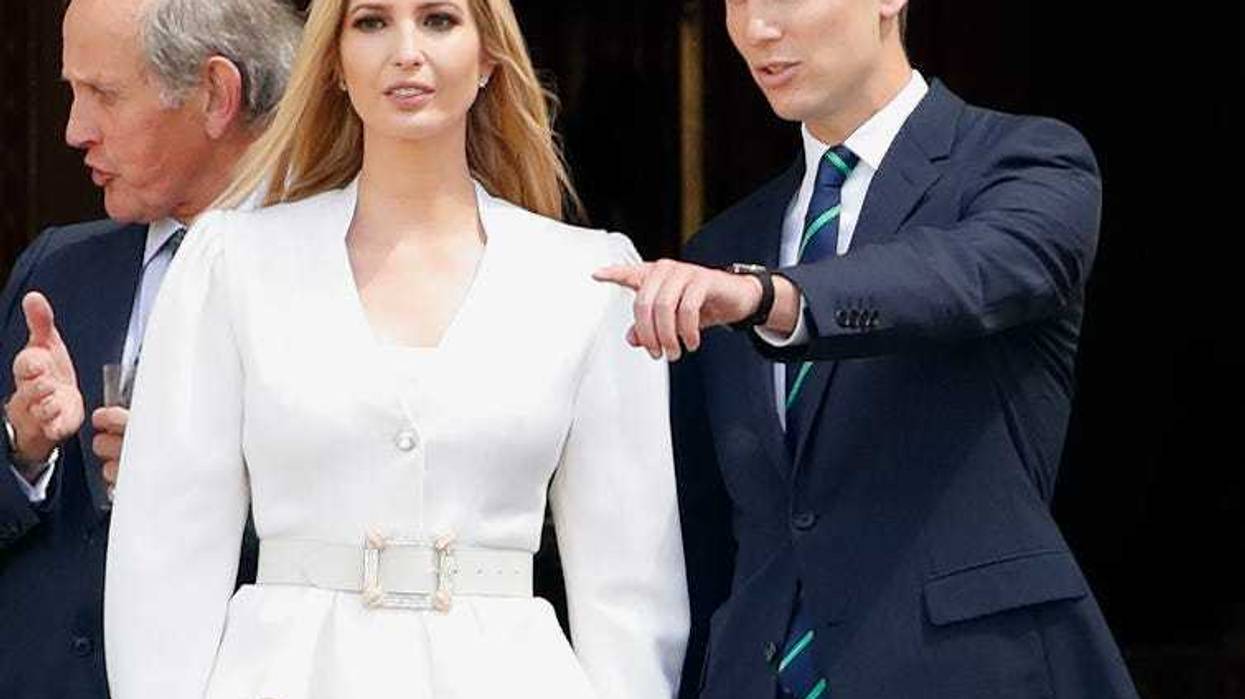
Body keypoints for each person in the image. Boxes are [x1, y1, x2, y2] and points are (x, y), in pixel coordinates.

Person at [103, 0, 689, 697]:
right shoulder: (233, 263)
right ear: (335, 63)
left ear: (488, 57)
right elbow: (166, 551)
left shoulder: (586, 279)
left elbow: (630, 589)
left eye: (438, 20)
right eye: (371, 22)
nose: (406, 51)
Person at [595, 1, 1138, 697]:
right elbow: (710, 537)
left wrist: (775, 299)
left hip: (968, 671)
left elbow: (957, 277)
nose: (757, 29)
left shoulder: (1025, 163)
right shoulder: (724, 248)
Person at [0, 1, 301, 696]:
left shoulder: (346, 274)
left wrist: (193, 480)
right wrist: (22, 446)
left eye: (103, 93)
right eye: (72, 91)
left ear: (216, 95)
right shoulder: (57, 269)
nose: (74, 130)